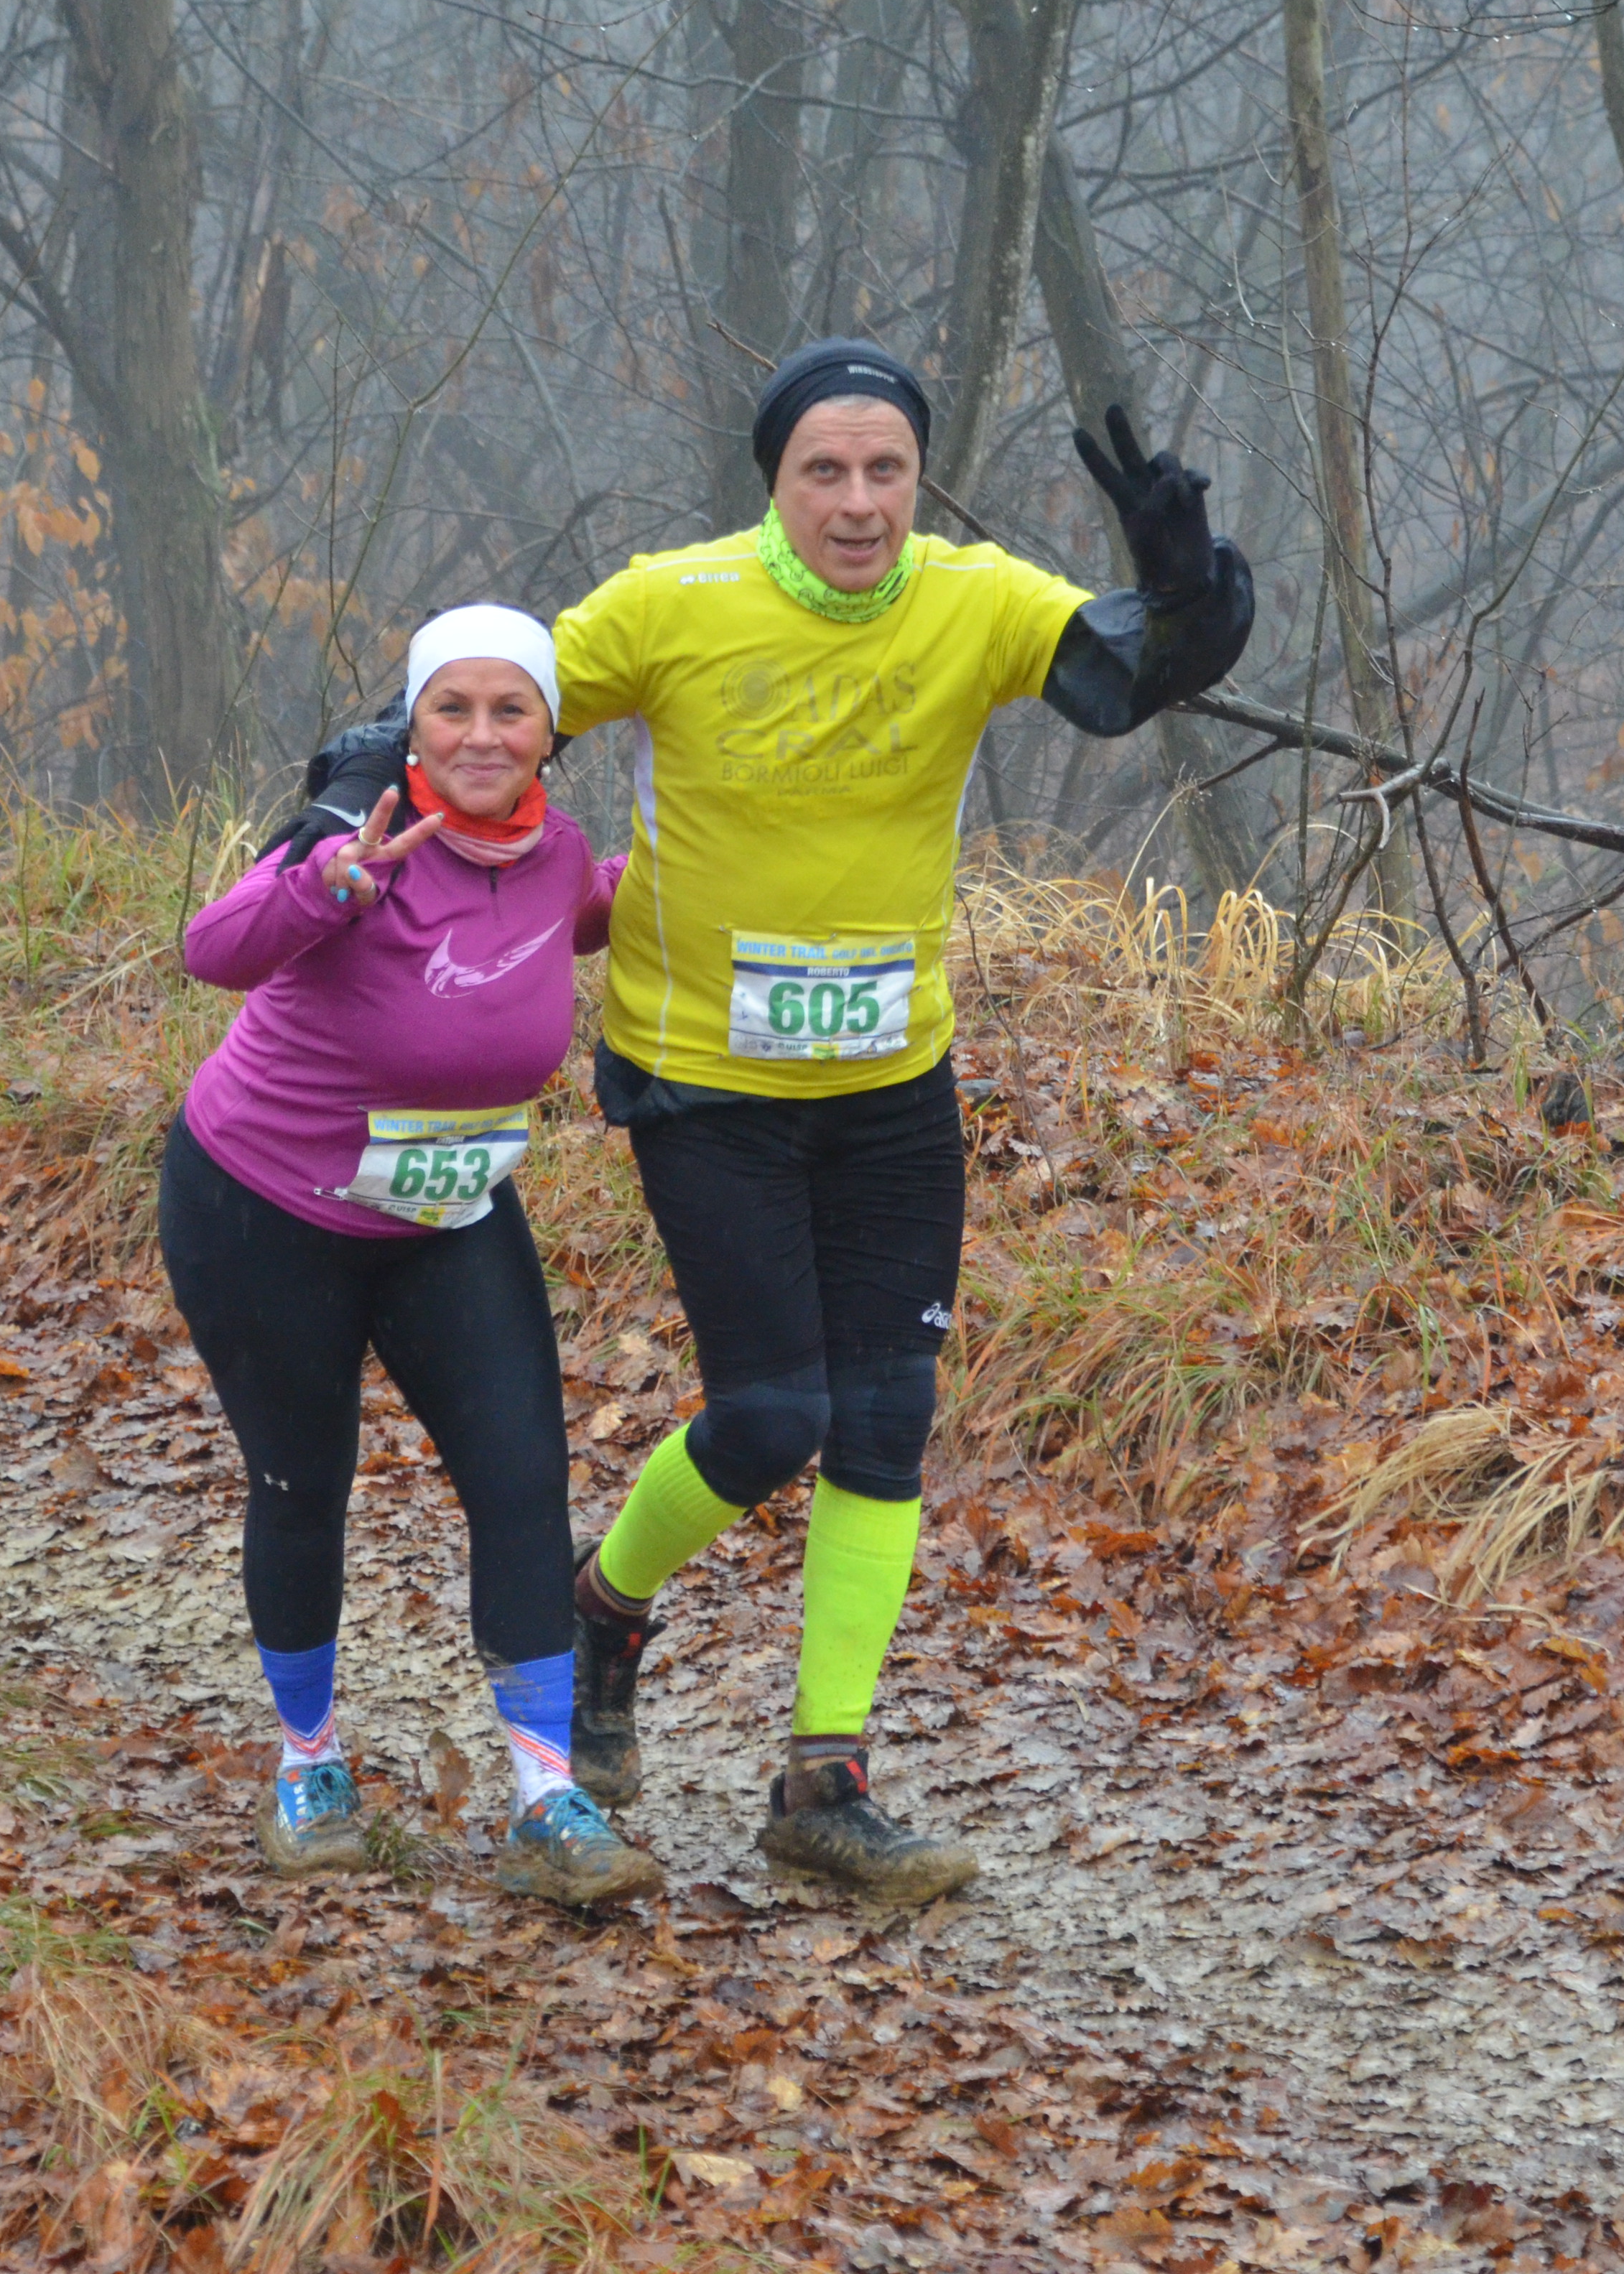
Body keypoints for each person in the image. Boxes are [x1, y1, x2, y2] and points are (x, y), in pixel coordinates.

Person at [538, 341, 1258, 1901]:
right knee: (768, 1418)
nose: (859, 503)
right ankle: (602, 1606)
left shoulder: (970, 598)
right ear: (776, 483)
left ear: (921, 481)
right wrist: (357, 802)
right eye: (826, 470)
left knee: (884, 1418)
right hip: (702, 1080)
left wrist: (1189, 587)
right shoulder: (670, 604)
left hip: (890, 1086)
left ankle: (826, 1780)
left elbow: (1125, 678)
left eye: (887, 471)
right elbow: (490, 715)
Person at [162, 604, 659, 1908]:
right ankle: (308, 1765)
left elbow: (592, 913)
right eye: (454, 709)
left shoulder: (557, 857)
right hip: (265, 1206)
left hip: (449, 1213)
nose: (483, 735)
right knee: (302, 1483)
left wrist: (713, 860)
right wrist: (324, 884)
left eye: (512, 711)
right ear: (415, 727)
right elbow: (211, 949)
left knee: (522, 1482)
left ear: (549, 732)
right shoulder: (357, 840)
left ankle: (545, 1799)